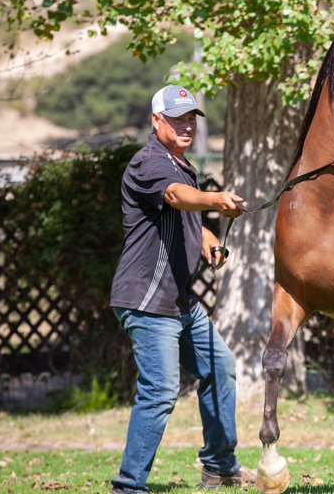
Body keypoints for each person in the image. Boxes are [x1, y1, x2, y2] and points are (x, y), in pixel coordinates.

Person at [109, 84, 254, 493]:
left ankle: (220, 467)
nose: (187, 124)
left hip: (178, 301)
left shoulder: (180, 163)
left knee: (220, 368)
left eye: (191, 117)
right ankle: (128, 486)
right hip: (146, 300)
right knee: (160, 391)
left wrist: (207, 238)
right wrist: (215, 198)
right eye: (177, 118)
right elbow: (176, 198)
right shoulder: (149, 162)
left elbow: (180, 214)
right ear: (157, 121)